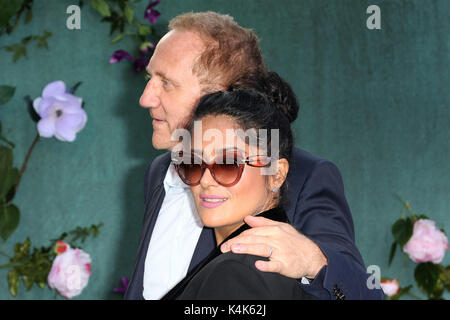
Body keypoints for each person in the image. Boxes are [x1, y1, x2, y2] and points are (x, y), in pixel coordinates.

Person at [125, 11, 384, 300]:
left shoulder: (305, 176)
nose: (145, 98)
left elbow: (364, 294)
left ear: (218, 96)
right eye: (150, 78)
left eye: (166, 83)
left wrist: (315, 262)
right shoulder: (160, 171)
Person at [163, 78, 314, 299]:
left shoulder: (239, 272)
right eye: (192, 163)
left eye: (228, 164)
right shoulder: (268, 264)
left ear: (276, 174)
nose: (205, 180)